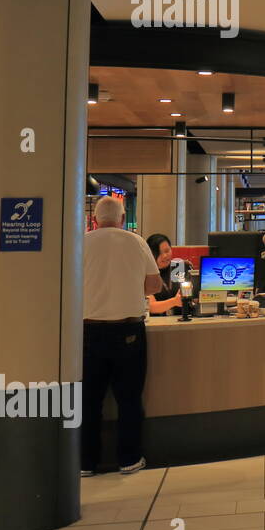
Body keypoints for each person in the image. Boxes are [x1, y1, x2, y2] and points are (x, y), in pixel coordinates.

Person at [82, 196, 161, 476]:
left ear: (95, 219)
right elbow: (154, 285)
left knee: (89, 400)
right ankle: (129, 459)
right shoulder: (136, 241)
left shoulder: (81, 242)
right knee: (129, 398)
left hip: (88, 331)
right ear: (122, 217)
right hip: (128, 330)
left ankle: (85, 463)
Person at [144, 233, 183, 316]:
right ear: (151, 254)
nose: (165, 256)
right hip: (157, 322)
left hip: (180, 319)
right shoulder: (147, 273)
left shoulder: (178, 267)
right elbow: (151, 306)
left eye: (167, 251)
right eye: (159, 253)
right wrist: (174, 302)